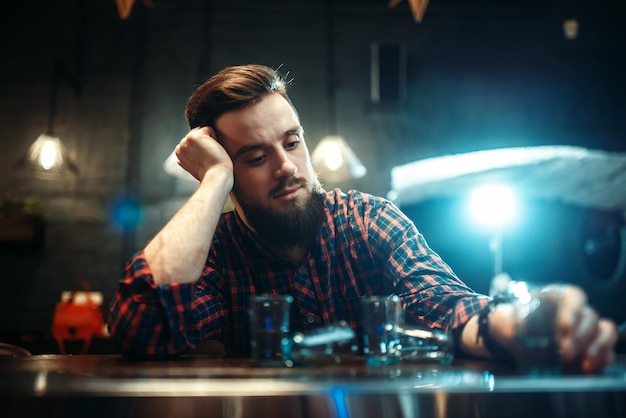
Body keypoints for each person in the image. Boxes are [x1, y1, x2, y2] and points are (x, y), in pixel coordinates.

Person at [108, 64, 617, 372]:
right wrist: (213, 183)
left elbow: (447, 305)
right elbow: (141, 329)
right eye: (255, 158)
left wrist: (523, 324)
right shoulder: (218, 253)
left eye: (292, 142)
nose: (288, 168)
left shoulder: (368, 222)